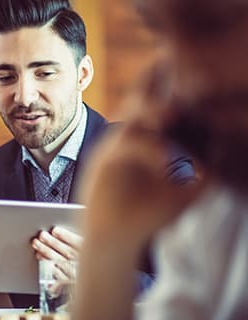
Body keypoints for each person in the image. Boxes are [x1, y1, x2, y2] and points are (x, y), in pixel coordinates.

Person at [0, 0, 194, 308]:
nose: (24, 96)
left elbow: (199, 290)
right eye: (6, 77)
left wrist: (103, 277)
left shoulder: (157, 160)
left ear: (83, 74)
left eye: (44, 73)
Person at [75, 0, 248, 319]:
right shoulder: (220, 207)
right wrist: (107, 246)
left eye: (214, 25)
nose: (185, 82)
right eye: (161, 31)